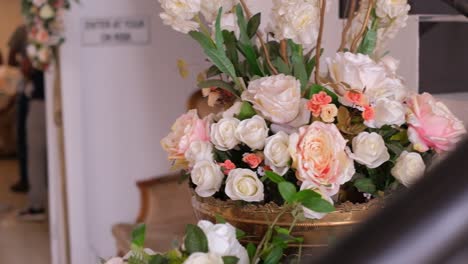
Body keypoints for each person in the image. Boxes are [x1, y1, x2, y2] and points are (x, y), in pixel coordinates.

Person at [8, 25, 30, 193]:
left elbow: (10, 59)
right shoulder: (23, 31)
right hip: (28, 88)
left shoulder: (22, 30)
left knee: (23, 136)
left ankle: (26, 179)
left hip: (27, 89)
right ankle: (27, 178)